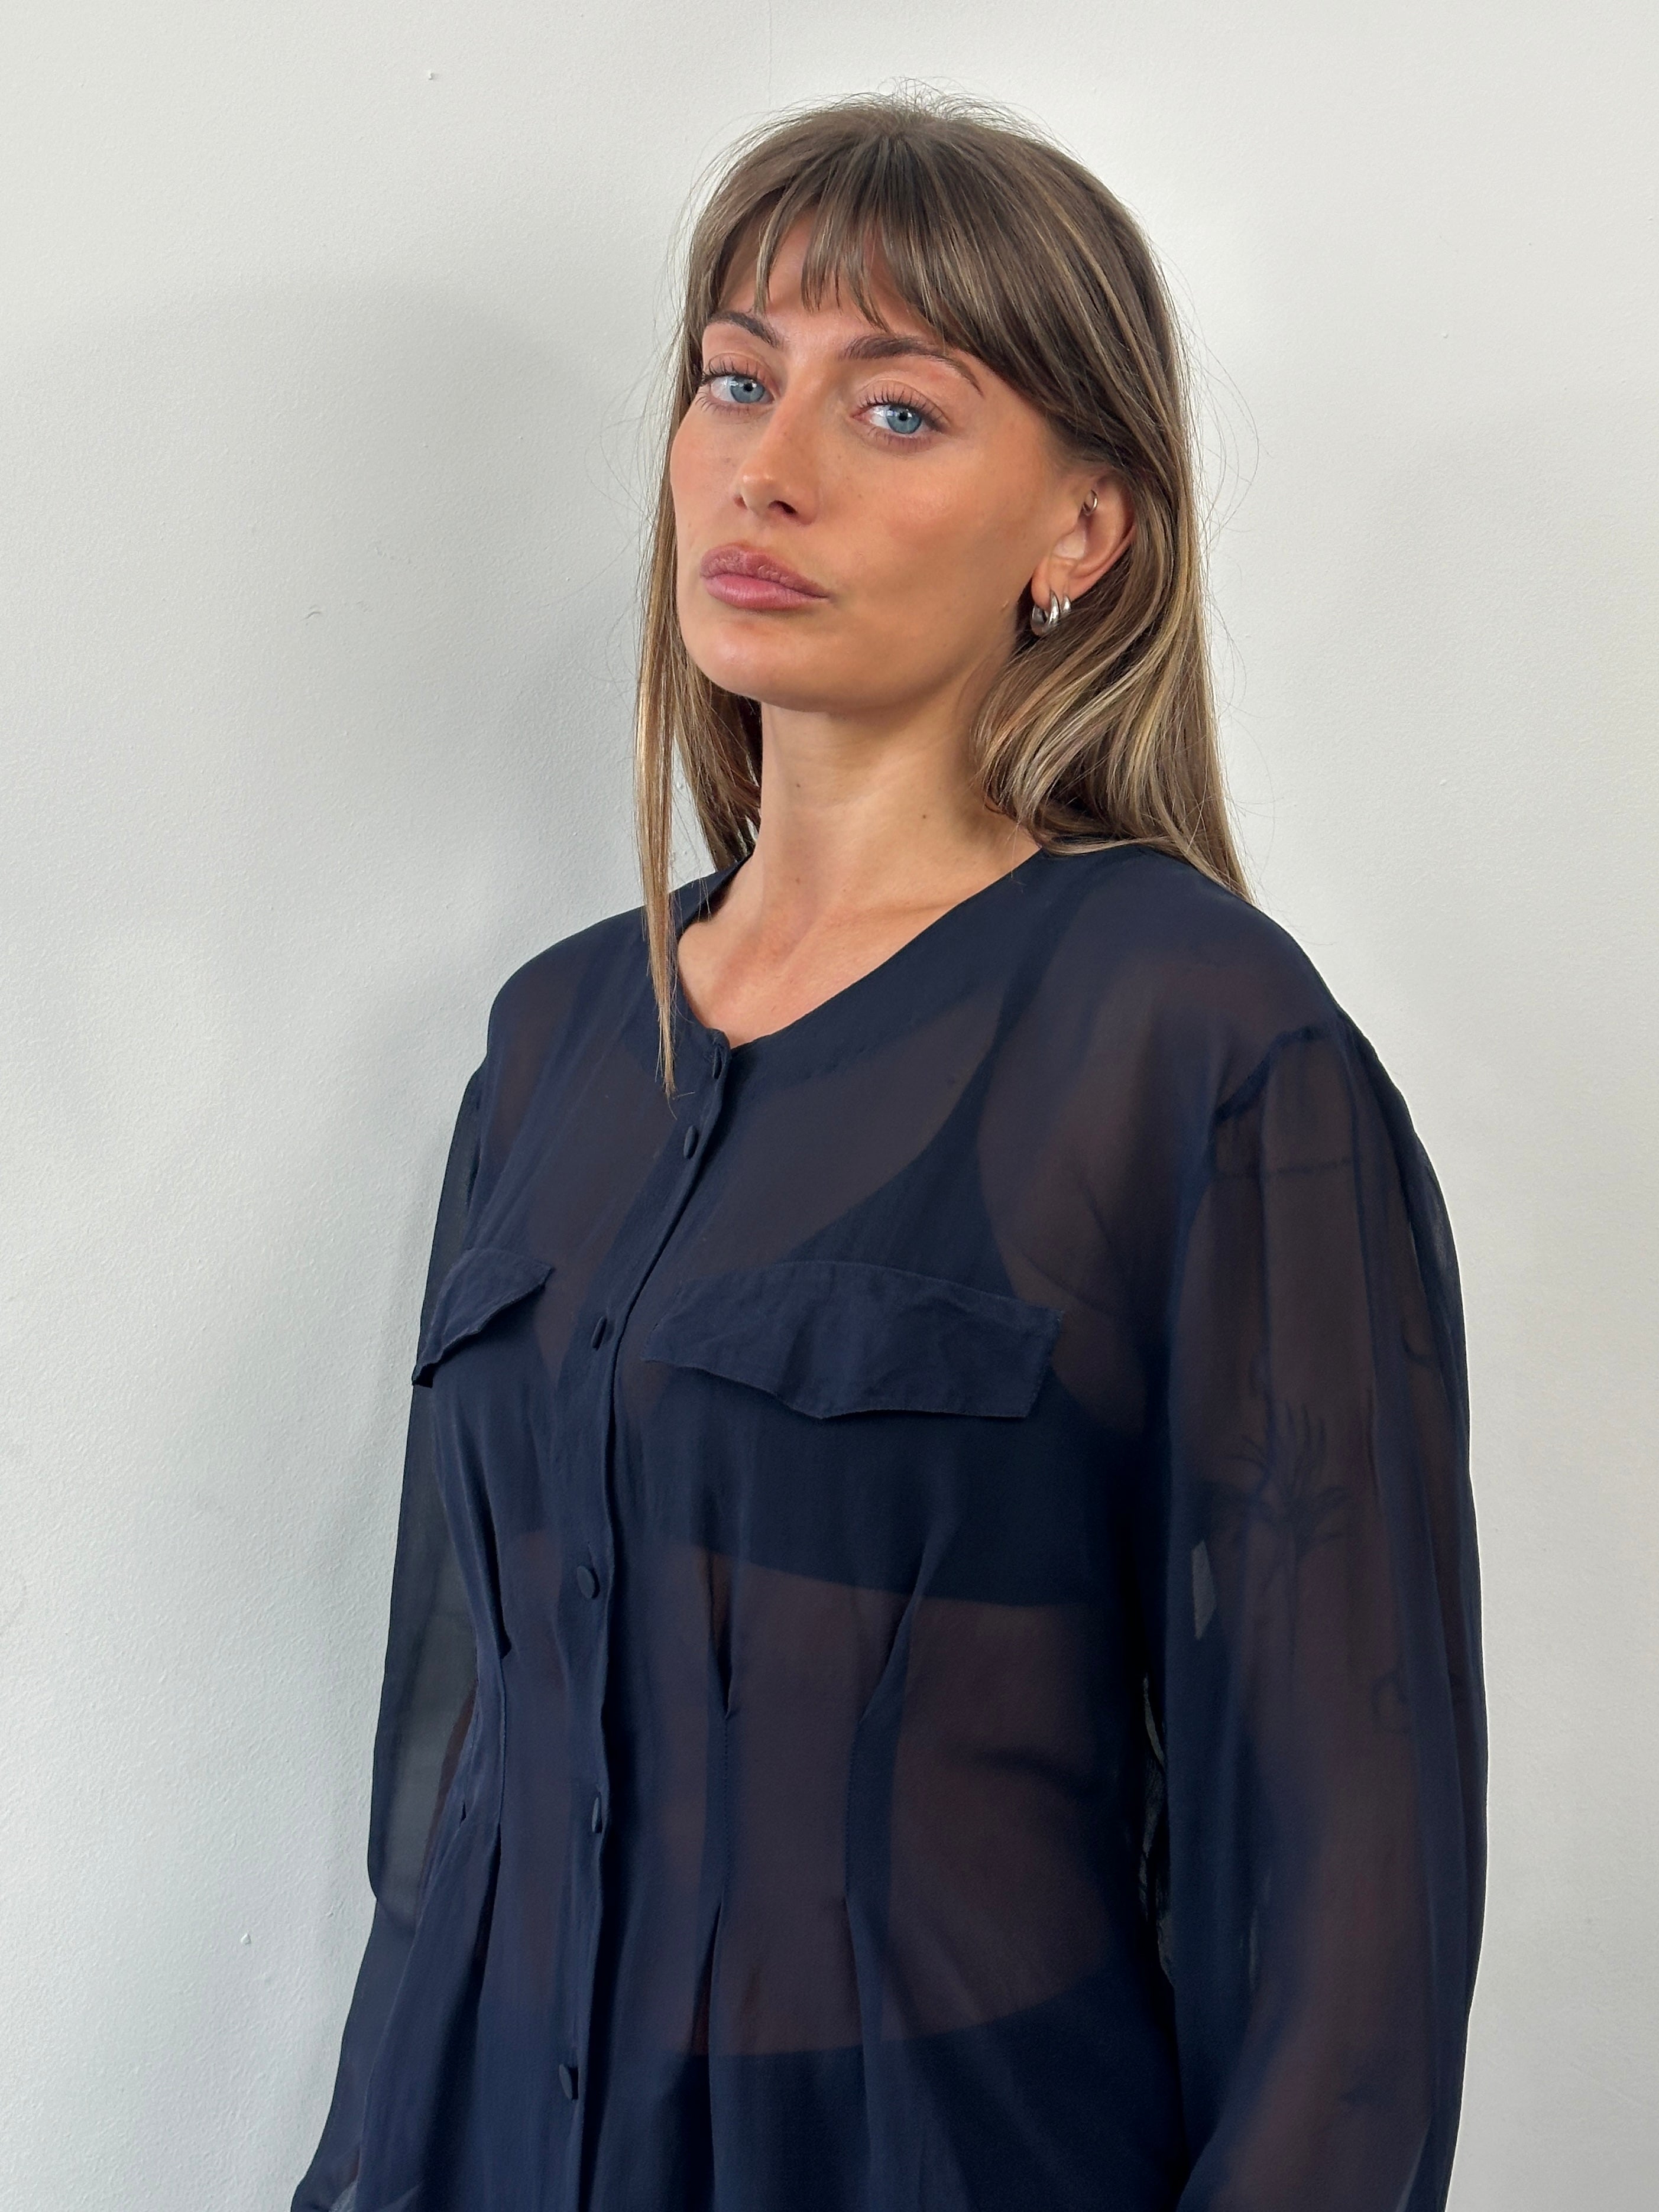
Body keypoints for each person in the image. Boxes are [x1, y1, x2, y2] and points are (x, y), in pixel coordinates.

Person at [291, 88, 1486, 2212]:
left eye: (900, 409)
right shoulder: (559, 1038)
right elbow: (462, 1774)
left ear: (1081, 533)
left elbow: (1346, 1902)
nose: (770, 468)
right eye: (736, 379)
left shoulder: (1191, 1039)